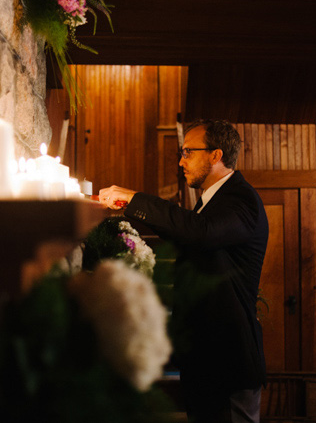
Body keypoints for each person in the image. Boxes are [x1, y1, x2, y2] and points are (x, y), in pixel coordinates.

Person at [99, 119, 268, 423]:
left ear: (216, 155)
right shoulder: (212, 201)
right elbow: (188, 233)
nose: (181, 161)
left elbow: (200, 232)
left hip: (228, 360)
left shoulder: (242, 199)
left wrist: (135, 199)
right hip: (205, 360)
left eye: (188, 152)